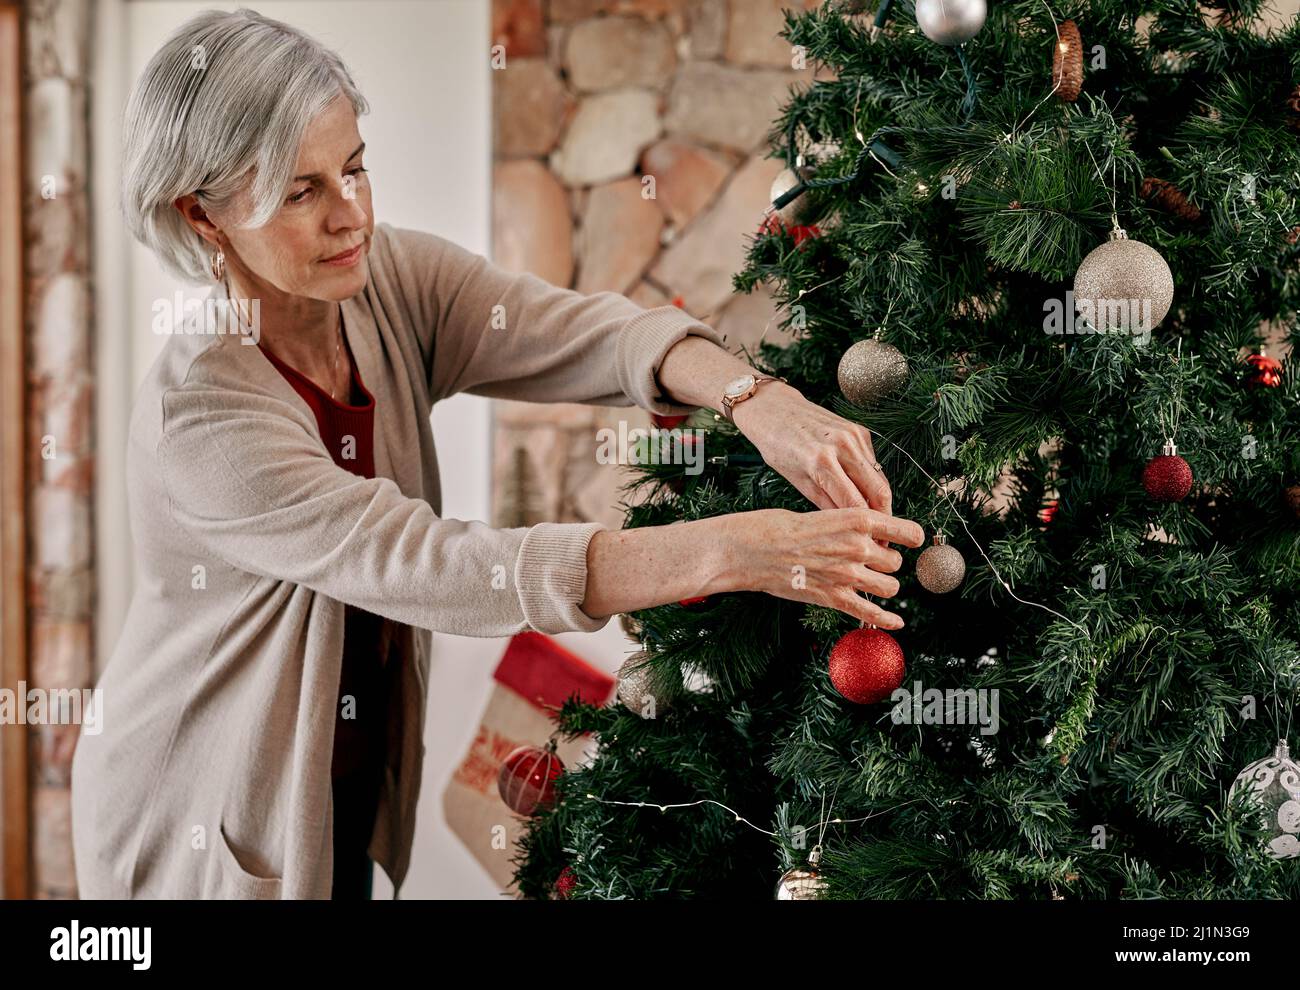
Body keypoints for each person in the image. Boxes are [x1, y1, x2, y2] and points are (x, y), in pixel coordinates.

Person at [70, 7, 923, 899]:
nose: (350, 213)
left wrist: (755, 397)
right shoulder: (200, 414)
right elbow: (438, 565)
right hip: (198, 825)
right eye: (299, 191)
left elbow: (581, 332)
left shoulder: (381, 280)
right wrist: (742, 551)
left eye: (354, 168)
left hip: (338, 796)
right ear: (203, 216)